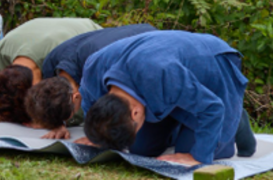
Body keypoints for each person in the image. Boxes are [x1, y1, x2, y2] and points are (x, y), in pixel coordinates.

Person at [79, 31, 257, 166]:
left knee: (192, 152)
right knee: (141, 150)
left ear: (134, 112)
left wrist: (198, 157)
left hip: (214, 66)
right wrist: (97, 134)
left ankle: (236, 118)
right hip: (166, 79)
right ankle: (181, 119)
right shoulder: (94, 68)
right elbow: (88, 100)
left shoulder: (162, 73)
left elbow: (212, 108)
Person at [25, 23, 156, 137]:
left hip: (151, 44)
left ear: (76, 97)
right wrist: (58, 124)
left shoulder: (101, 68)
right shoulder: (51, 63)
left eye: (69, 117)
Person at [0, 17, 101, 122]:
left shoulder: (65, 61)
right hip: (43, 31)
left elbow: (81, 105)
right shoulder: (0, 54)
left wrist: (49, 121)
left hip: (93, 34)